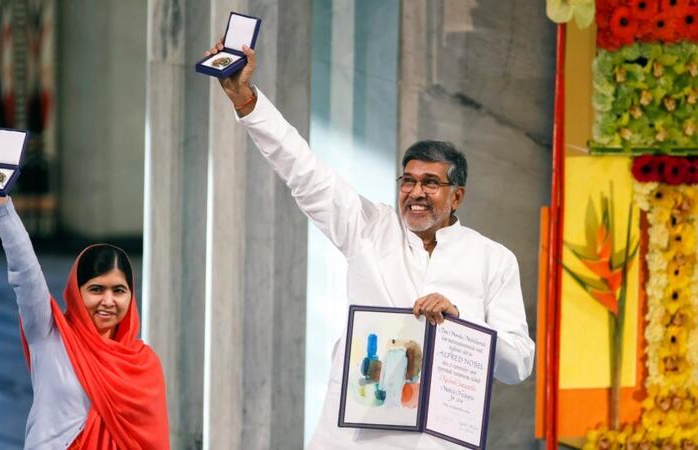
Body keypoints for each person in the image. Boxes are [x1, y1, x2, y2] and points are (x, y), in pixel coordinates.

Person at [205, 42, 534, 449]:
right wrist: (247, 101)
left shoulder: (493, 259)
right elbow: (303, 170)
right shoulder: (368, 227)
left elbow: (517, 364)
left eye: (431, 183)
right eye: (408, 181)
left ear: (458, 197)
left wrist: (461, 322)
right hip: (358, 438)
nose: (416, 192)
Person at [0, 154, 170, 449]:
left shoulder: (143, 364)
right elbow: (25, 270)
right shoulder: (48, 334)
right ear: (77, 293)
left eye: (119, 290)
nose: (108, 301)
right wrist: (0, 204)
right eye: (96, 289)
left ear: (131, 295)